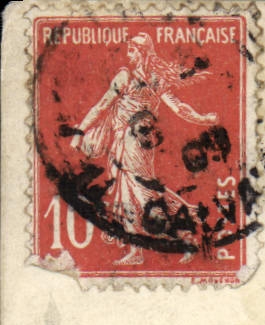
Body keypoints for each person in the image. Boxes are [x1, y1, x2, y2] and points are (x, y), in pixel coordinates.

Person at [71, 34, 220, 264]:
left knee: (137, 193)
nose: (128, 54)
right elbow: (179, 107)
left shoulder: (132, 77)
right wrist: (203, 118)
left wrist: (80, 132)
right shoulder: (152, 78)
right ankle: (183, 235)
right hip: (133, 143)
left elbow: (102, 106)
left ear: (141, 52)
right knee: (140, 192)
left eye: (132, 50)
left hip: (131, 142)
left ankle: (145, 248)